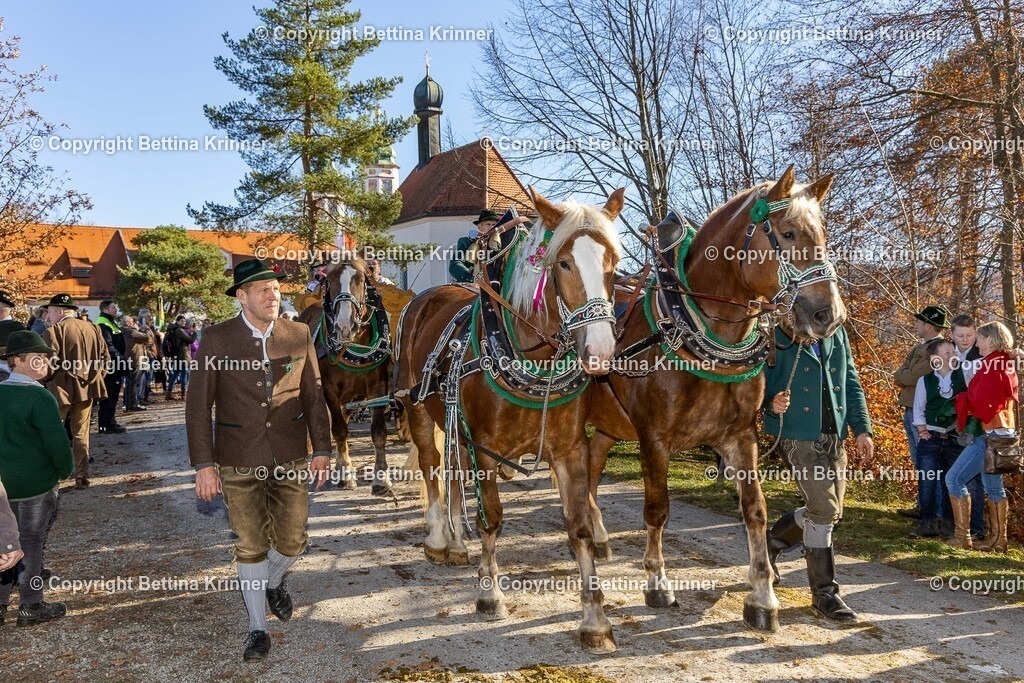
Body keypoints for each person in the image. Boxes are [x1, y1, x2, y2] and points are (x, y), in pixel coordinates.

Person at [186, 259, 332, 662]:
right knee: (249, 544)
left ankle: (272, 581)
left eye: (276, 288)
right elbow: (198, 407)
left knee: (292, 540)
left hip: (290, 454)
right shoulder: (216, 339)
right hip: (236, 458)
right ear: (242, 296)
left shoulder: (299, 333)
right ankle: (257, 628)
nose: (274, 295)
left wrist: (322, 449)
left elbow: (314, 396)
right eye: (263, 289)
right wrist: (204, 465)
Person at [764, 323, 873, 622]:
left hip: (834, 435)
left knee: (830, 512)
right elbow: (753, 378)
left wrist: (862, 428)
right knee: (824, 510)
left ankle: (772, 541)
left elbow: (850, 380)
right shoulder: (776, 331)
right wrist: (771, 402)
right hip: (797, 435)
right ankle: (825, 594)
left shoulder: (837, 332)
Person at [0, 330, 74, 627]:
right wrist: (63, 471)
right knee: (30, 544)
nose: (45, 362)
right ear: (17, 360)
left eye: (46, 357)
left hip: (2, 486)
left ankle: (0, 604)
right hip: (34, 485)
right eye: (37, 357)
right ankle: (31, 605)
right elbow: (57, 443)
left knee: (5, 544)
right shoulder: (40, 396)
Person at [946, 321, 1019, 552]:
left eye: (980, 338)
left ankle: (968, 537)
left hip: (991, 435)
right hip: (995, 433)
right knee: (992, 487)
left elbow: (984, 404)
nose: (976, 342)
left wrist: (963, 401)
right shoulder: (998, 362)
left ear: (990, 339)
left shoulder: (995, 364)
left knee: (955, 479)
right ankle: (996, 541)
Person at [41, 295, 108, 490]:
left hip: (60, 389)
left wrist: (45, 380)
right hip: (87, 389)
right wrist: (95, 377)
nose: (49, 315)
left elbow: (49, 364)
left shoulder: (53, 331)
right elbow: (105, 358)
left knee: (56, 432)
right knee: (81, 434)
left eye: (51, 311)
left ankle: (57, 475)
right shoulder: (93, 328)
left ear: (60, 311)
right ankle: (82, 475)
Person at [893, 305, 949, 520]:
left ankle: (934, 511)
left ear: (928, 325)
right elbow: (900, 374)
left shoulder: (938, 349)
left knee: (929, 462)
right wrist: (903, 374)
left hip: (923, 413)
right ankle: (923, 505)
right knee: (918, 461)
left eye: (919, 321)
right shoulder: (921, 347)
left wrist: (903, 375)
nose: (916, 324)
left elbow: (908, 377)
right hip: (910, 408)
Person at [910, 339, 967, 538]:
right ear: (935, 359)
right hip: (931, 437)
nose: (953, 355)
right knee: (928, 480)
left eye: (954, 351)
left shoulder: (963, 376)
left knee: (950, 481)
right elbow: (918, 409)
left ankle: (950, 524)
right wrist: (923, 431)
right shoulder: (925, 381)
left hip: (954, 438)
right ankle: (927, 522)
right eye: (947, 352)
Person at [96, 301, 129, 434]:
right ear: (106, 309)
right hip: (112, 366)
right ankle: (106, 425)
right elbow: (108, 346)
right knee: (109, 396)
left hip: (115, 364)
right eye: (113, 307)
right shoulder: (103, 324)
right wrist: (121, 359)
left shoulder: (110, 322)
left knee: (113, 395)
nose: (116, 310)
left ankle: (109, 422)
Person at [449, 209, 499, 283]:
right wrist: (471, 275)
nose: (491, 227)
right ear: (479, 226)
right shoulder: (466, 242)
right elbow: (455, 264)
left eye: (494, 225)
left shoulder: (499, 244)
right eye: (488, 224)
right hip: (472, 284)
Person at [120, 316, 152, 412]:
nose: (134, 323)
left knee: (129, 383)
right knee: (135, 383)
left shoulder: (121, 331)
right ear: (128, 323)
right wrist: (145, 329)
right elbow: (147, 337)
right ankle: (133, 404)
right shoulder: (131, 332)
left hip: (127, 359)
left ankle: (127, 403)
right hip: (135, 360)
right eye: (132, 321)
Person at [163, 315, 195, 400]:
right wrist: (194, 333)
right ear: (177, 321)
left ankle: (168, 393)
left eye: (184, 321)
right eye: (181, 321)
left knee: (175, 374)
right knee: (184, 374)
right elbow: (190, 340)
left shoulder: (173, 329)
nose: (183, 322)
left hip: (177, 355)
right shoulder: (179, 330)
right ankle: (183, 394)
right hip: (183, 355)